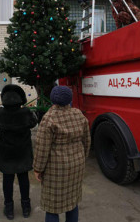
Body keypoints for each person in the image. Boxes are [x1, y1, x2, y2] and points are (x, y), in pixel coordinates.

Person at [33, 86, 91, 222]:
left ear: (53, 99)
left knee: (53, 206)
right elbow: (87, 140)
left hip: (56, 169)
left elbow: (42, 147)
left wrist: (38, 168)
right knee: (72, 202)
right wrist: (83, 158)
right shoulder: (78, 114)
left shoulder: (49, 118)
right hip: (77, 165)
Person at [0, 84, 37, 220]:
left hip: (6, 153)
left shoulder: (0, 112)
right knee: (23, 178)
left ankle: (9, 209)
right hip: (22, 152)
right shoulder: (25, 113)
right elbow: (33, 123)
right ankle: (26, 207)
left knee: (7, 179)